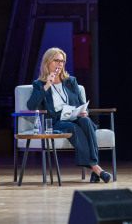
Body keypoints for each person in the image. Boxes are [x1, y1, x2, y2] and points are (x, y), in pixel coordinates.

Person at [27, 47, 112, 183]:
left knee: (86, 122)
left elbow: (81, 103)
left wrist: (84, 112)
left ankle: (95, 169)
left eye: (62, 61)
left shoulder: (71, 81)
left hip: (75, 116)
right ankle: (96, 168)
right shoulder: (39, 84)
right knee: (73, 128)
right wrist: (47, 85)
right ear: (47, 62)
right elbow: (31, 106)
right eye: (56, 61)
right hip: (56, 121)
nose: (60, 64)